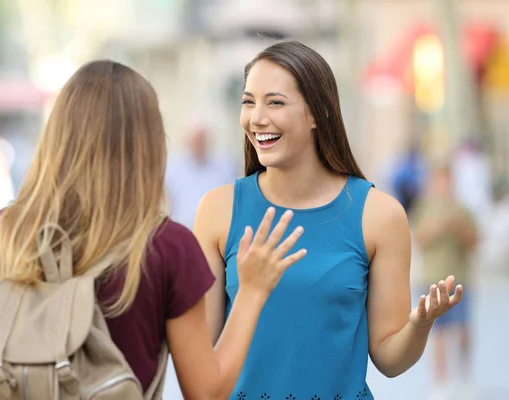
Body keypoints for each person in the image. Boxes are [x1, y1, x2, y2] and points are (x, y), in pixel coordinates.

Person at [0, 60, 307, 399]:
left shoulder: (3, 234)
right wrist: (252, 291)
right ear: (148, 143)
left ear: (57, 137)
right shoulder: (166, 247)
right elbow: (206, 392)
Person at [194, 41, 463, 400]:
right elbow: (200, 367)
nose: (256, 117)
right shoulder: (217, 210)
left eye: (275, 102)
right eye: (248, 101)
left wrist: (420, 324)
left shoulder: (379, 215)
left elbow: (389, 359)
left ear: (316, 113)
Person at [413, 164, 478, 399]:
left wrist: (458, 226)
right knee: (437, 332)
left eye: (447, 180)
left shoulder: (462, 209)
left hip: (460, 278)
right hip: (433, 279)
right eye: (439, 179)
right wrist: (438, 227)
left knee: (462, 329)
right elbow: (418, 240)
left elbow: (474, 242)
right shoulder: (425, 207)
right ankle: (440, 382)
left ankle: (464, 375)